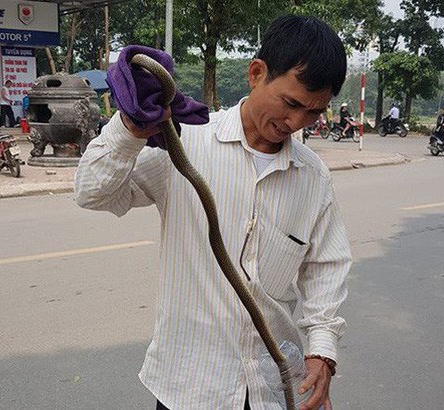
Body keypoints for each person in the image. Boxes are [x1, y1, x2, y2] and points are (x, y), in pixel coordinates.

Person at [75, 15, 351, 410]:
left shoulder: (312, 177)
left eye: (313, 112)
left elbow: (327, 265)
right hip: (188, 388)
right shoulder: (185, 141)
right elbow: (92, 194)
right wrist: (129, 129)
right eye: (290, 103)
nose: (296, 122)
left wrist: (322, 351)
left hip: (270, 389)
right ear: (256, 73)